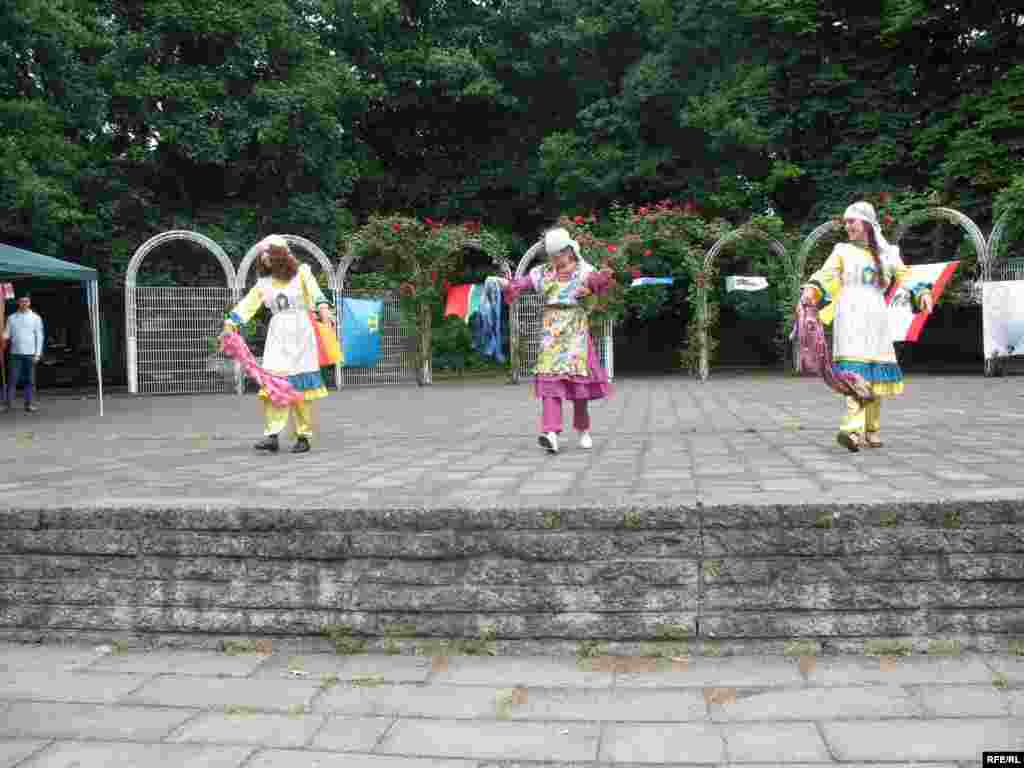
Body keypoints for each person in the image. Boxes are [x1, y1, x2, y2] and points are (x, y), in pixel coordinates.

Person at [801, 201, 934, 452]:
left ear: (867, 224)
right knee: (854, 373)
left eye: (852, 221)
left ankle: (872, 430)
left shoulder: (888, 253)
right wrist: (810, 290)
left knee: (874, 372)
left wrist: (922, 292)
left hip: (875, 315)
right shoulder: (842, 251)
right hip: (849, 314)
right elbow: (824, 274)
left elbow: (905, 275)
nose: (847, 226)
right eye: (846, 222)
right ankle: (852, 431)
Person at [498, 227, 613, 453]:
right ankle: (550, 433)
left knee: (579, 385)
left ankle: (583, 429)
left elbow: (598, 284)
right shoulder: (543, 272)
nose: (556, 259)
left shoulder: (584, 270)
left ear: (570, 251)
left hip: (576, 331)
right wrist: (508, 285)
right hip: (551, 332)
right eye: (552, 255)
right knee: (550, 382)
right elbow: (522, 284)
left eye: (559, 253)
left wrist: (592, 288)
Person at [223, 236, 334, 453]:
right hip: (278, 333)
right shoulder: (263, 283)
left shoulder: (303, 273)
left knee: (300, 386)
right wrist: (231, 323)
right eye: (263, 255)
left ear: (281, 256)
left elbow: (317, 295)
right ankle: (272, 435)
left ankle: (303, 436)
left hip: (302, 332)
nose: (265, 258)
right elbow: (248, 305)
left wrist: (323, 309)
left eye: (270, 253)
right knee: (274, 383)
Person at [2, 295, 44, 413]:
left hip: (30, 354)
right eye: (21, 301)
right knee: (12, 379)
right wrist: (3, 338)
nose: (24, 303)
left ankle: (29, 404)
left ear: (29, 303)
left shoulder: (35, 318)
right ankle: (8, 404)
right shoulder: (11, 318)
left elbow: (39, 336)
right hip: (15, 353)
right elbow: (7, 334)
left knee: (30, 380)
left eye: (26, 301)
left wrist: (38, 354)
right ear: (18, 303)